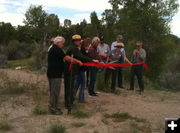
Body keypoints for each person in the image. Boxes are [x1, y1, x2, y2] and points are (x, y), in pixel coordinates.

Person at [47, 36, 82, 115]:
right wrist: (77, 61)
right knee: (55, 92)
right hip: (55, 74)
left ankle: (54, 106)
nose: (63, 45)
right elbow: (67, 58)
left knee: (54, 92)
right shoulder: (56, 49)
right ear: (58, 43)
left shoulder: (53, 48)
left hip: (53, 73)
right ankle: (53, 109)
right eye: (62, 43)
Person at [64, 34, 99, 114]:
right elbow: (81, 57)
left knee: (71, 86)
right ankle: (68, 104)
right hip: (70, 70)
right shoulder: (73, 48)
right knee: (69, 87)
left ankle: (69, 102)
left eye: (80, 40)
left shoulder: (74, 48)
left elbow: (81, 56)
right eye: (78, 40)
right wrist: (92, 61)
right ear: (74, 41)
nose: (80, 42)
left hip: (71, 70)